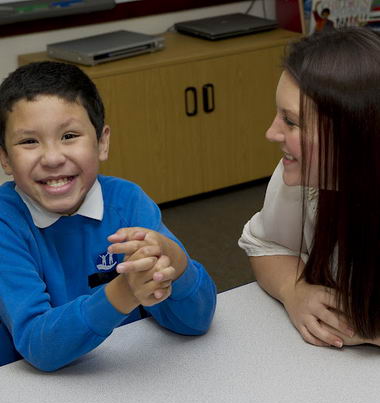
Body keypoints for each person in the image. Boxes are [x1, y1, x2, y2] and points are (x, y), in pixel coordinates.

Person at [0, 61, 217, 371]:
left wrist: (176, 262)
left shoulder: (127, 202)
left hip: (123, 376)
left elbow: (196, 321)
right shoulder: (6, 221)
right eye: (29, 141)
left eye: (70, 135)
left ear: (102, 142)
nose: (52, 158)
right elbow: (39, 345)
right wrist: (122, 293)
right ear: (5, 158)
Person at [239, 27, 380, 349]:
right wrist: (293, 289)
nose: (271, 133)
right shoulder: (305, 172)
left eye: (291, 122)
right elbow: (267, 245)